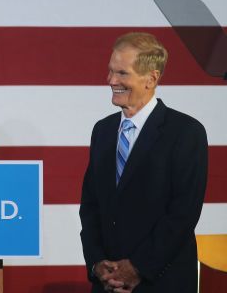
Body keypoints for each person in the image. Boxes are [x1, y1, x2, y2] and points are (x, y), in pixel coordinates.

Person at [79, 32, 208, 293]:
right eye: (110, 71)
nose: (111, 80)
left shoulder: (185, 132)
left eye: (122, 73)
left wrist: (138, 267)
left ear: (151, 79)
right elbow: (91, 206)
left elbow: (183, 214)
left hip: (160, 282)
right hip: (108, 284)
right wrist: (97, 264)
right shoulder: (102, 131)